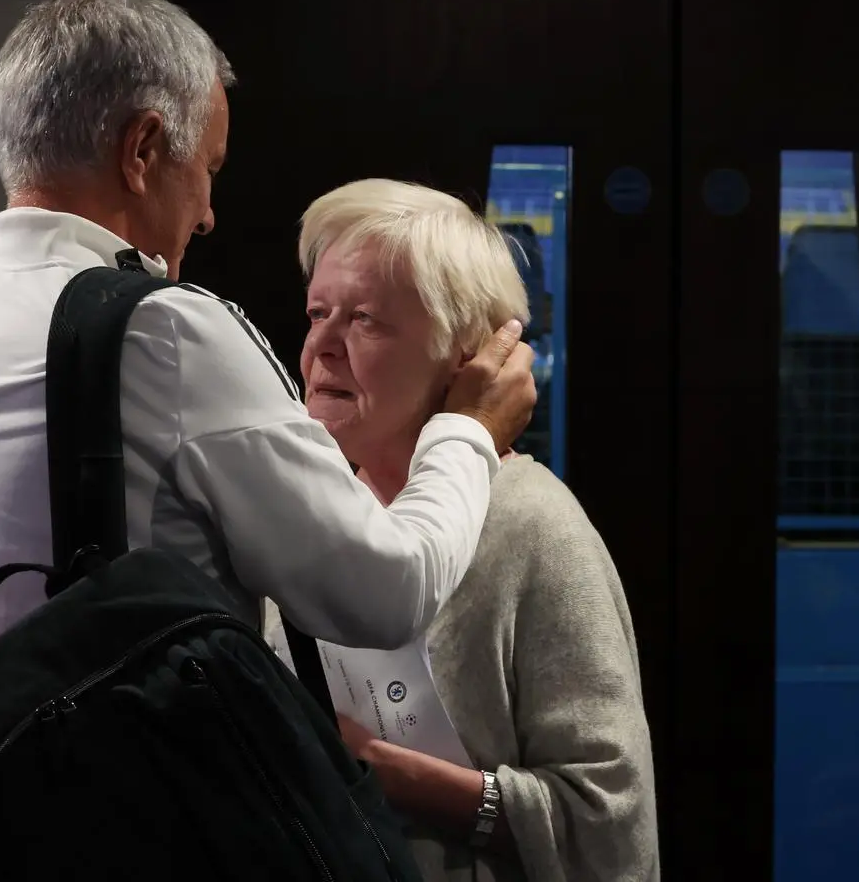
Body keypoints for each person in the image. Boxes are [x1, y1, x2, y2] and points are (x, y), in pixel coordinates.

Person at [0, 0, 535, 882]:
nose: (205, 214)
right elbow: (384, 590)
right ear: (143, 149)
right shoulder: (165, 331)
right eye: (207, 168)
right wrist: (467, 431)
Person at [266, 178, 659, 881]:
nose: (320, 347)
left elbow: (611, 826)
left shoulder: (535, 525)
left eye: (366, 320)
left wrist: (384, 772)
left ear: (468, 358)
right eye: (317, 312)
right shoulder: (301, 515)